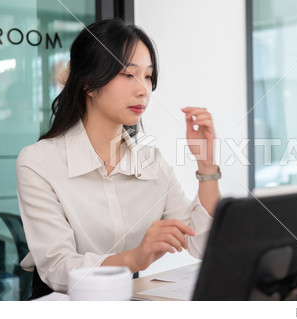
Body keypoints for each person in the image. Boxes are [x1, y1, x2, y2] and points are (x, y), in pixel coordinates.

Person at [16, 18, 220, 298]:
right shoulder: (38, 162)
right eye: (128, 74)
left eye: (148, 76)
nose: (143, 90)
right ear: (88, 84)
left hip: (126, 298)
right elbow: (58, 268)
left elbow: (199, 242)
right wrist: (134, 259)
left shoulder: (151, 160)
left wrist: (206, 166)